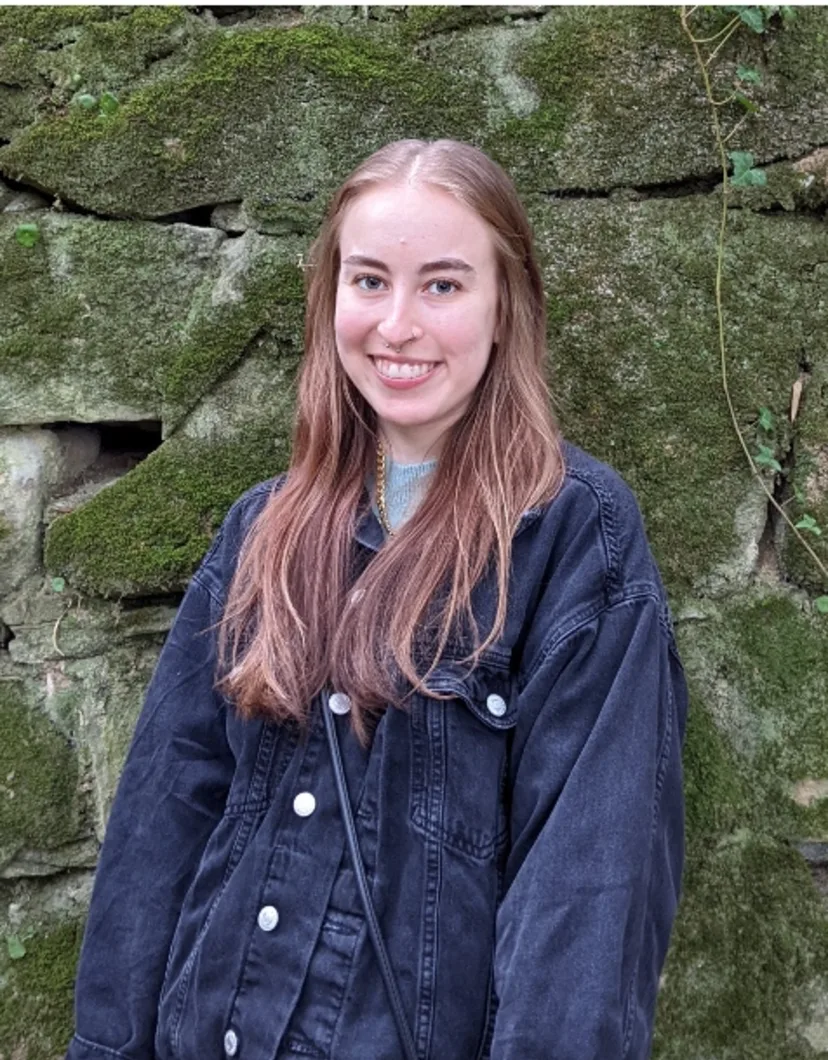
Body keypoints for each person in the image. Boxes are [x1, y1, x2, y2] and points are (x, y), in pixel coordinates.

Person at [66, 139, 687, 1060]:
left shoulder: (569, 540)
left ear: (506, 304)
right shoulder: (260, 530)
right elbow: (163, 823)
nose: (397, 325)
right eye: (368, 281)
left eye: (442, 285)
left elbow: (589, 895)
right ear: (330, 299)